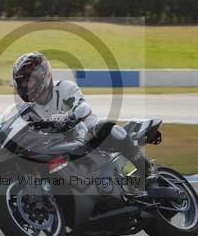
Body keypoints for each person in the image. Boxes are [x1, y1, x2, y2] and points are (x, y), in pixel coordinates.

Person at [11, 51, 157, 188]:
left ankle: (147, 170)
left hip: (88, 137)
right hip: (57, 145)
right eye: (22, 83)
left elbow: (83, 107)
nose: (25, 86)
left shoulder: (64, 88)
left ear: (43, 76)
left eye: (29, 81)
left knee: (109, 129)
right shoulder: (26, 109)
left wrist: (70, 116)